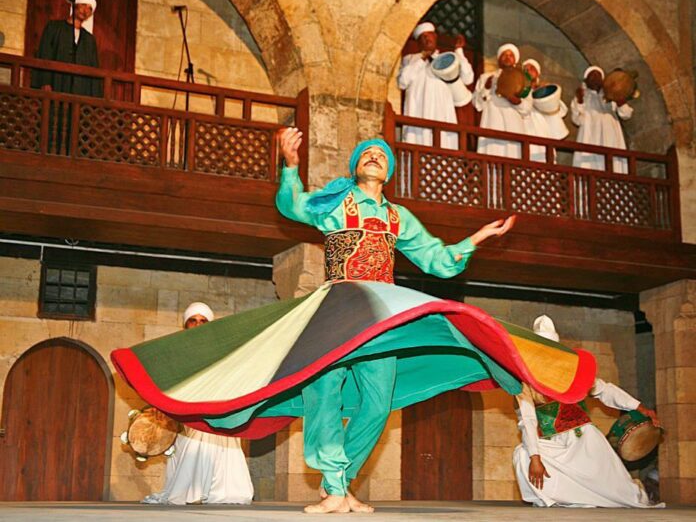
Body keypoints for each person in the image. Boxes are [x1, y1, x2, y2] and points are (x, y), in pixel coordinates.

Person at [112, 131, 597, 514]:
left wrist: (477, 238)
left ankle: (340, 485)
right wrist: (289, 164)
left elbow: (438, 261)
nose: (374, 158)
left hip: (380, 315)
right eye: (367, 154)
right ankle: (334, 488)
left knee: (378, 403)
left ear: (388, 172)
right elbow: (292, 205)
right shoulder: (337, 204)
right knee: (323, 392)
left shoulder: (398, 217)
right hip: (336, 309)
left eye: (382, 156)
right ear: (356, 166)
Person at [513, 314, 664, 509]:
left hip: (583, 439)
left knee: (622, 492)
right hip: (553, 444)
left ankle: (636, 493)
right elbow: (527, 420)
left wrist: (638, 406)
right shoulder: (524, 381)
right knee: (522, 454)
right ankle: (554, 499)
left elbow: (604, 390)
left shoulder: (572, 370)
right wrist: (535, 457)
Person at [142, 302, 254, 506]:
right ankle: (190, 490)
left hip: (216, 404)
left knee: (218, 442)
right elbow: (168, 380)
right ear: (186, 325)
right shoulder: (176, 351)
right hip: (187, 407)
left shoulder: (221, 349)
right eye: (193, 320)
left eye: (203, 321)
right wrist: (162, 404)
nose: (198, 324)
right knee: (188, 445)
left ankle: (217, 490)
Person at [397, 22, 474, 150]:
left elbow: (468, 78)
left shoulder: (447, 58)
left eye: (429, 35)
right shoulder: (410, 59)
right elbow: (402, 82)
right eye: (423, 37)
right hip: (419, 112)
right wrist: (423, 58)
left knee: (444, 143)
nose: (427, 38)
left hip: (442, 111)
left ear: (435, 37)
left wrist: (459, 52)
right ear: (418, 42)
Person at [31, 0, 103, 97]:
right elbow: (45, 54)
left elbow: (93, 68)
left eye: (90, 9)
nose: (85, 10)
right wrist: (45, 81)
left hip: (80, 90)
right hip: (56, 84)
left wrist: (95, 97)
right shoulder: (54, 28)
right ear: (75, 5)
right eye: (83, 5)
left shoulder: (89, 39)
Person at [473, 43, 533, 159]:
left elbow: (527, 109)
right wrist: (486, 88)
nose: (507, 58)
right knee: (492, 155)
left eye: (511, 55)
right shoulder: (486, 77)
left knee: (513, 157)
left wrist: (516, 101)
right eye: (504, 55)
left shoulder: (523, 79)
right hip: (492, 122)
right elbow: (477, 104)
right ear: (499, 59)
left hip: (514, 125)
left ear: (515, 60)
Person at [571, 66, 632, 173]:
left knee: (613, 165)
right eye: (592, 76)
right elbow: (576, 120)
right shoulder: (582, 96)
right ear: (586, 80)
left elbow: (626, 114)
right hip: (590, 137)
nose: (595, 78)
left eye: (598, 76)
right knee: (590, 166)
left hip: (611, 137)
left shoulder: (611, 94)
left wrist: (619, 100)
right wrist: (580, 101)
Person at [521, 59, 569, 163]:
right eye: (525, 69)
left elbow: (559, 111)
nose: (528, 71)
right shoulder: (518, 91)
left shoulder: (545, 89)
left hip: (542, 131)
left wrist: (543, 94)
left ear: (537, 73)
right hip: (525, 130)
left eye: (531, 68)